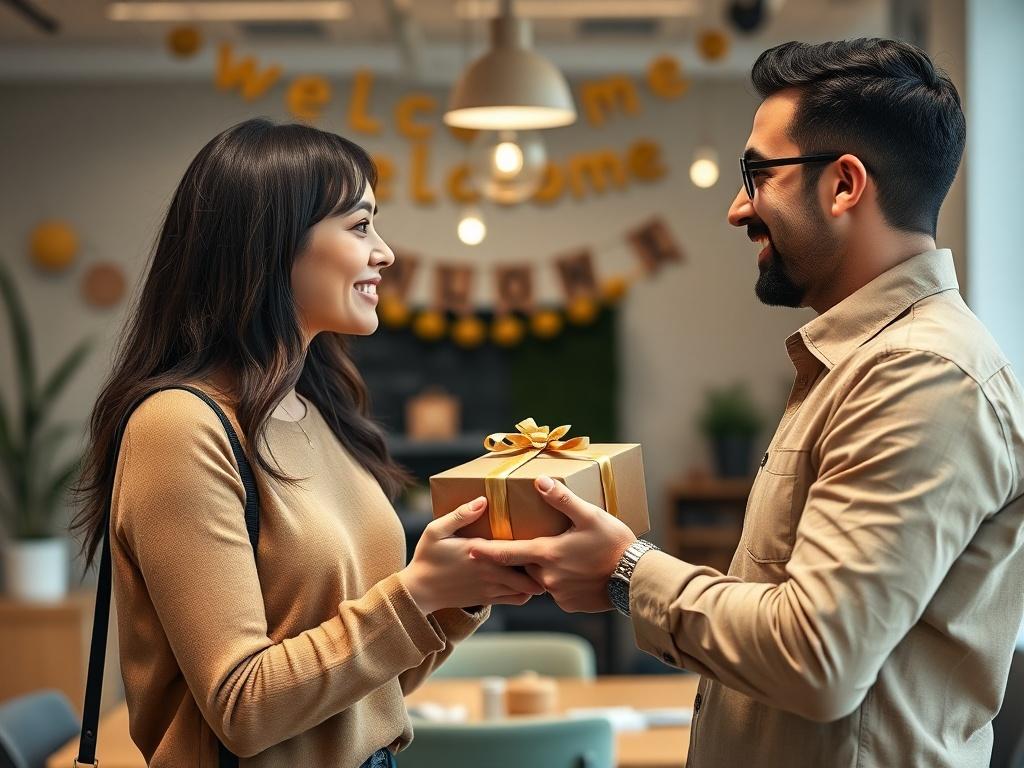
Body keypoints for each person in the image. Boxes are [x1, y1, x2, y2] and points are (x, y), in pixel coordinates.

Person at [470, 38, 1024, 767]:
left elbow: (815, 658)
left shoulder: (920, 373)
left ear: (845, 185)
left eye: (757, 174)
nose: (738, 209)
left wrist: (626, 571)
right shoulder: (863, 363)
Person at [71, 118, 542, 768]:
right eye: (359, 226)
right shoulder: (181, 425)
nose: (385, 253)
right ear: (271, 245)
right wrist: (419, 594)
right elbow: (244, 709)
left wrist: (461, 595)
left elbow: (364, 693)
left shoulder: (319, 413)